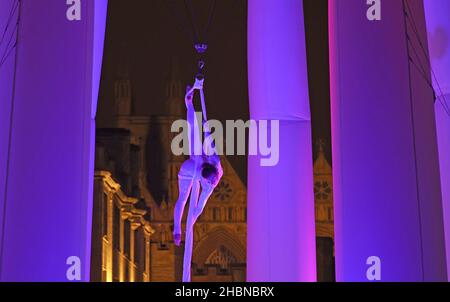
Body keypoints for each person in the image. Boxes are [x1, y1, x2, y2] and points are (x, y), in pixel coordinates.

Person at [172, 77, 223, 282]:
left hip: (192, 165)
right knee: (194, 131)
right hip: (193, 163)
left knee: (184, 198)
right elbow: (203, 132)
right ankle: (188, 101)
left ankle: (177, 230)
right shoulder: (212, 159)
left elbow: (200, 206)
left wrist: (189, 225)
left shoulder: (211, 182)